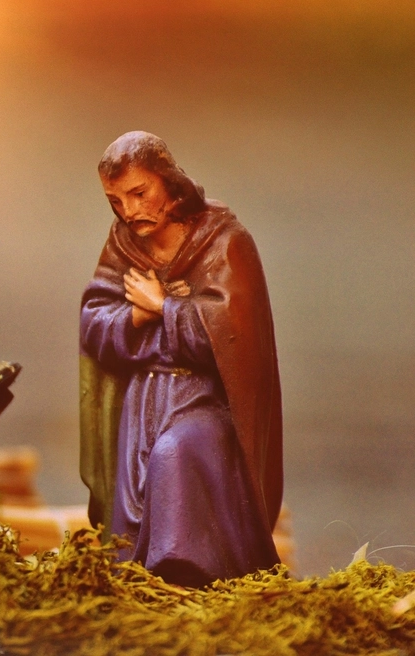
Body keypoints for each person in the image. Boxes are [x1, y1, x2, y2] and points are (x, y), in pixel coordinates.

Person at [79, 131, 282, 587]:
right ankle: (138, 581)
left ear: (168, 181)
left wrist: (163, 306)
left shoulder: (224, 241)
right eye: (115, 200)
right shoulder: (123, 244)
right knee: (134, 496)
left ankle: (188, 574)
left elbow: (236, 339)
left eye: (139, 193)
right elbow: (94, 322)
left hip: (204, 402)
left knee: (175, 454)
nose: (129, 210)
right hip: (142, 403)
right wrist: (134, 315)